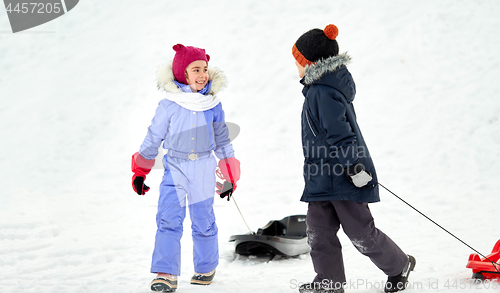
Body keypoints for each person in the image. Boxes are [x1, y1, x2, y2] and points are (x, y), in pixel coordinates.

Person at [291, 24, 415, 293]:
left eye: (298, 62)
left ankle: (399, 265)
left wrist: (353, 167)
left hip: (344, 175)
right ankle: (329, 281)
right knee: (319, 233)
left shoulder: (322, 93)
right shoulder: (317, 90)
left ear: (310, 63)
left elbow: (341, 134)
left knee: (360, 232)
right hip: (319, 178)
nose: (296, 68)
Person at [131, 44, 240, 292]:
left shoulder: (213, 104)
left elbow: (222, 141)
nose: (202, 74)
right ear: (183, 74)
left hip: (203, 167)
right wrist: (141, 170)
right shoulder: (169, 105)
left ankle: (205, 267)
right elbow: (153, 138)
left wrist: (229, 176)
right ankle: (165, 273)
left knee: (203, 221)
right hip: (175, 168)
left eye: (204, 69)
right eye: (196, 69)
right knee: (168, 220)